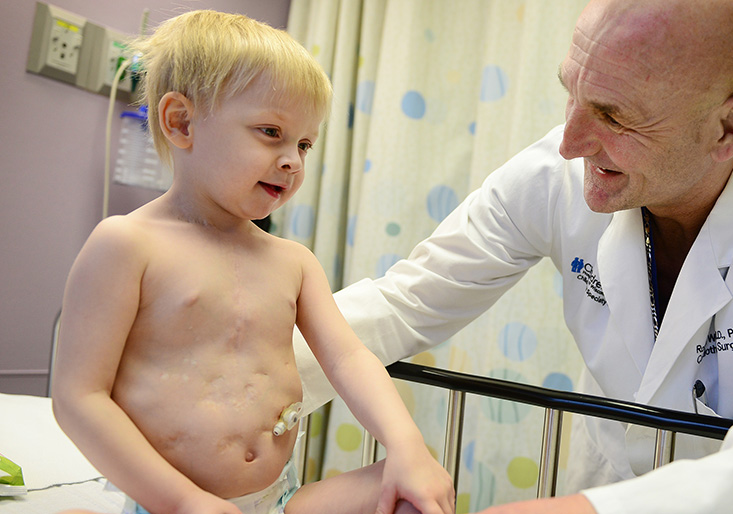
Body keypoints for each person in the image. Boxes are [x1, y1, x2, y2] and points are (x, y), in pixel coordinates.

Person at [291, 0, 733, 512]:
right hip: (602, 482)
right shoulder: (556, 174)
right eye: (572, 93)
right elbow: (403, 304)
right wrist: (239, 382)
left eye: (613, 114)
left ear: (730, 126)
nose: (570, 142)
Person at [51, 10, 453, 514]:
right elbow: (79, 397)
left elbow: (349, 359)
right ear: (181, 122)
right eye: (270, 132)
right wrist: (185, 502)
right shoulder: (129, 244)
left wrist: (407, 446)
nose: (293, 161)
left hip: (279, 500)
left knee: (417, 488)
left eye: (304, 144)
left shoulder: (293, 262)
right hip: (172, 505)